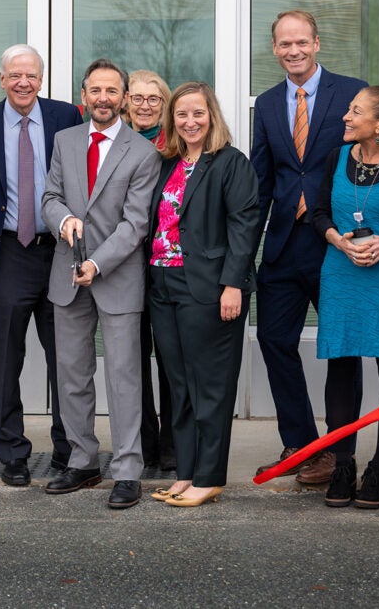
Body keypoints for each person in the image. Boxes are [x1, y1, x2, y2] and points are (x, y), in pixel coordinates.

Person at [250, 10, 366, 483]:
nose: (293, 51)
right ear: (274, 49)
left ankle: (340, 453)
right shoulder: (269, 102)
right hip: (281, 243)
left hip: (336, 241)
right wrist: (245, 246)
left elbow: (372, 160)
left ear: (317, 43)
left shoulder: (351, 93)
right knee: (273, 340)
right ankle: (300, 446)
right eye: (284, 44)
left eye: (301, 42)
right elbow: (262, 177)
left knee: (340, 348)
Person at [40, 58, 159, 509]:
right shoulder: (65, 140)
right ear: (84, 95)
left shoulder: (143, 153)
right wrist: (63, 218)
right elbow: (50, 196)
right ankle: (83, 460)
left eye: (112, 91)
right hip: (65, 276)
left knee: (124, 377)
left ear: (124, 98)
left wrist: (98, 263)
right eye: (95, 91)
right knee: (71, 375)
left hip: (117, 277)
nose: (103, 99)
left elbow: (135, 225)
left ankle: (128, 469)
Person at [146, 82, 260, 507]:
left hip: (210, 288)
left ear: (211, 115)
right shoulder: (167, 162)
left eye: (197, 113)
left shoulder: (231, 163)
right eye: (181, 114)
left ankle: (210, 477)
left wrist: (233, 284)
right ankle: (188, 471)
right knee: (179, 384)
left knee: (209, 385)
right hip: (162, 283)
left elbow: (244, 228)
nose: (189, 121)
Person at [312, 86, 379, 509]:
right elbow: (318, 212)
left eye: (354, 111)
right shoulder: (337, 158)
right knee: (340, 367)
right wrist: (339, 240)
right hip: (340, 272)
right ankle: (344, 463)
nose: (345, 116)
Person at [0, 44, 81, 487]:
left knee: (67, 356)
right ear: (2, 79)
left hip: (58, 250)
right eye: (15, 75)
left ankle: (67, 446)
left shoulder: (66, 117)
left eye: (32, 75)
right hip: (7, 254)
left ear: (42, 79)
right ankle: (12, 452)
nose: (23, 83)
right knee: (4, 358)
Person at [126, 70, 175, 470]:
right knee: (133, 358)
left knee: (171, 357)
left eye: (153, 99)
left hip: (168, 265)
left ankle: (173, 443)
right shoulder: (115, 144)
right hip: (123, 265)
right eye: (138, 98)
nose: (145, 105)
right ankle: (142, 443)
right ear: (126, 102)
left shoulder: (176, 147)